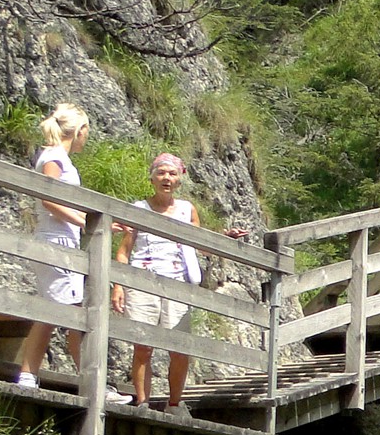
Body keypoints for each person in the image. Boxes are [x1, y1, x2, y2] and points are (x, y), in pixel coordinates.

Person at [112, 152, 248, 415]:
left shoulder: (187, 210)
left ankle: (174, 403)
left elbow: (200, 244)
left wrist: (224, 238)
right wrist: (119, 285)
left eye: (172, 174)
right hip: (142, 282)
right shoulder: (138, 209)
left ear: (179, 179)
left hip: (178, 285)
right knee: (143, 346)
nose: (166, 178)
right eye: (161, 173)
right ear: (152, 177)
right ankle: (142, 402)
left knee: (180, 348)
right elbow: (123, 251)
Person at [15, 103, 131, 403]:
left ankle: (90, 381)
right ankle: (31, 376)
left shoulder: (59, 158)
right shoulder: (54, 157)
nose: (86, 139)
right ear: (80, 131)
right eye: (86, 133)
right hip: (56, 240)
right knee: (58, 310)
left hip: (63, 241)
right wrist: (84, 221)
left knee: (69, 311)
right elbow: (48, 198)